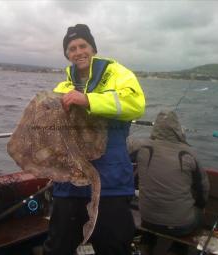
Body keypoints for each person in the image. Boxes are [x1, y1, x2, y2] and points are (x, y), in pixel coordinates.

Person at [43, 24, 146, 255]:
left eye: (83, 45)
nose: (78, 51)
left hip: (109, 181)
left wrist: (89, 100)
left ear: (93, 48)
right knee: (59, 245)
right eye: (72, 48)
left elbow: (136, 104)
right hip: (69, 183)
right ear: (67, 54)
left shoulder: (118, 74)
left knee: (113, 245)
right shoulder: (63, 86)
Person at [127, 110, 210, 255]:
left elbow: (126, 151)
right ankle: (178, 248)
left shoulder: (141, 148)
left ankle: (147, 243)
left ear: (155, 128)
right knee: (200, 215)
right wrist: (200, 206)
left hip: (147, 218)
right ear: (178, 129)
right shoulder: (189, 154)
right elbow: (203, 189)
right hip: (181, 226)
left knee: (154, 220)